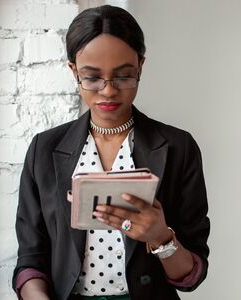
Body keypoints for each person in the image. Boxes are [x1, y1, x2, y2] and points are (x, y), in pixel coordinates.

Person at [12, 5, 210, 300]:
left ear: (141, 66)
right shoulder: (45, 149)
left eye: (124, 76)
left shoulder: (179, 147)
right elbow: (30, 259)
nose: (108, 91)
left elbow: (191, 276)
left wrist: (160, 237)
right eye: (92, 78)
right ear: (73, 71)